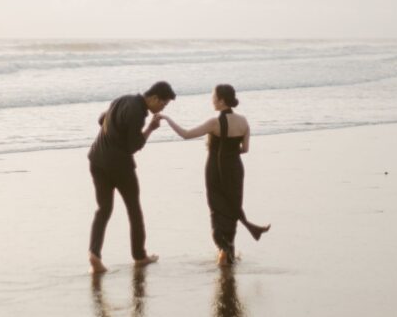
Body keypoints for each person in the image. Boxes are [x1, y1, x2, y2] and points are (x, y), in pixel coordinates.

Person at [158, 84, 270, 266]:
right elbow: (245, 149)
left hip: (216, 170)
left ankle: (223, 249)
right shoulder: (243, 122)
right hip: (235, 170)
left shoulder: (214, 122)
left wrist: (167, 118)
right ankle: (229, 254)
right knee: (232, 210)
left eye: (214, 97)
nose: (212, 100)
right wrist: (230, 153)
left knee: (217, 212)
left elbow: (186, 134)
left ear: (222, 101)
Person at [87, 81, 175, 274]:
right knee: (134, 210)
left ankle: (94, 254)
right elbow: (134, 146)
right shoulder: (138, 113)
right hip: (119, 166)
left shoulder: (122, 99)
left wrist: (115, 133)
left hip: (97, 160)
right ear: (154, 98)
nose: (163, 108)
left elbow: (102, 119)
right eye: (163, 104)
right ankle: (140, 256)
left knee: (103, 209)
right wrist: (151, 128)